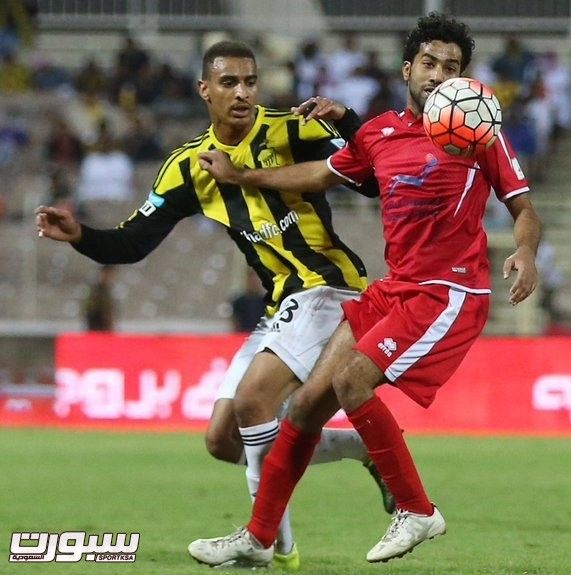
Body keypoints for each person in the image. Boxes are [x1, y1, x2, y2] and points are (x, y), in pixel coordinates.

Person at [188, 13, 542, 567]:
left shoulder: (477, 131)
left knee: (352, 380)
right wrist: (242, 176)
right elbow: (319, 174)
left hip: (447, 291)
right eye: (429, 63)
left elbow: (523, 209)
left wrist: (525, 251)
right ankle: (259, 539)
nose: (438, 75)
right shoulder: (378, 133)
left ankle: (417, 509)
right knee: (305, 406)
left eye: (451, 67)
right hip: (394, 289)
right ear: (407, 69)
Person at [35, 40, 392, 570]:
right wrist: (82, 235)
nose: (242, 93)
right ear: (205, 90)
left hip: (329, 287)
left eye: (250, 81)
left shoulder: (293, 130)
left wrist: (348, 119)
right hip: (280, 303)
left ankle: (267, 544)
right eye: (229, 83)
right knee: (224, 440)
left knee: (253, 403)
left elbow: (373, 181)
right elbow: (132, 243)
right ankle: (365, 449)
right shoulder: (188, 167)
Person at [83, 264, 117, 331]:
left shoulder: (107, 290)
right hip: (98, 327)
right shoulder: (96, 290)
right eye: (109, 274)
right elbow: (91, 310)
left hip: (104, 327)